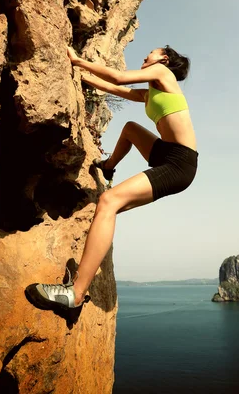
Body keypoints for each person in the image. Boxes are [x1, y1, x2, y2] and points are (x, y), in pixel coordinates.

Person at [25, 45, 198, 311]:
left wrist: (78, 60)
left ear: (164, 58)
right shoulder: (153, 92)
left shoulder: (162, 72)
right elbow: (118, 90)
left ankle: (75, 294)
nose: (145, 56)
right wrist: (83, 78)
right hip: (167, 153)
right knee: (130, 129)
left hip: (179, 163)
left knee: (109, 201)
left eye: (151, 52)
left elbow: (118, 77)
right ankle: (108, 167)